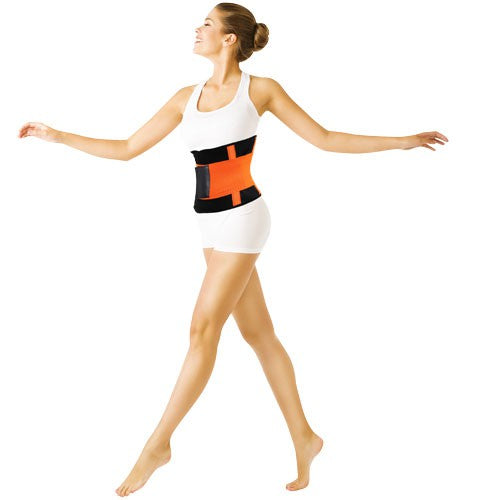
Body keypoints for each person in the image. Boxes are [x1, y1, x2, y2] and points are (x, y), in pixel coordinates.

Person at [18, 2, 448, 496]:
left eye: (207, 23)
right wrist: (57, 136)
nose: (197, 29)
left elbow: (326, 138)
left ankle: (158, 445)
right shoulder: (185, 97)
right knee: (259, 334)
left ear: (229, 39)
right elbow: (126, 148)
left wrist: (402, 141)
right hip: (208, 223)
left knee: (202, 329)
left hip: (244, 217)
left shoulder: (259, 90)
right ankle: (305, 438)